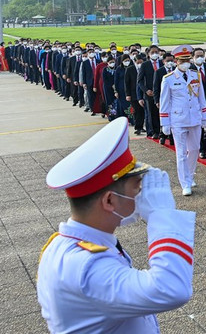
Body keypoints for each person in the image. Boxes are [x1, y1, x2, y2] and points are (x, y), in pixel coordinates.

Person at [37, 117, 195, 333]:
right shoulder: (88, 267)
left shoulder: (66, 244)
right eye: (136, 188)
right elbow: (171, 289)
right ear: (109, 200)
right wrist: (162, 215)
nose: (140, 195)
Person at [160, 45, 206, 196]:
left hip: (194, 118)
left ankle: (190, 175)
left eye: (188, 60)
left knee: (194, 149)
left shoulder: (195, 75)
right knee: (181, 153)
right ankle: (185, 183)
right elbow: (165, 102)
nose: (186, 62)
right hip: (178, 119)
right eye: (182, 60)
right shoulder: (168, 79)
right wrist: (165, 123)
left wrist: (204, 116)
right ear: (176, 61)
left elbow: (201, 98)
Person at [137, 45, 162, 139]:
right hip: (150, 93)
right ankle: (155, 131)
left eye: (156, 52)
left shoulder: (162, 63)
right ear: (148, 54)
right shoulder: (145, 65)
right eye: (152, 52)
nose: (155, 54)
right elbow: (139, 81)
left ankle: (164, 131)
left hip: (161, 92)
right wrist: (146, 90)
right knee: (152, 113)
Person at [125, 52, 145, 135]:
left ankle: (142, 126)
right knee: (137, 111)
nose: (140, 64)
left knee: (143, 111)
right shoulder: (130, 69)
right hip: (133, 94)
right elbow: (126, 83)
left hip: (143, 93)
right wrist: (128, 94)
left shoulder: (145, 68)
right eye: (138, 63)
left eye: (141, 62)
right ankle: (138, 127)